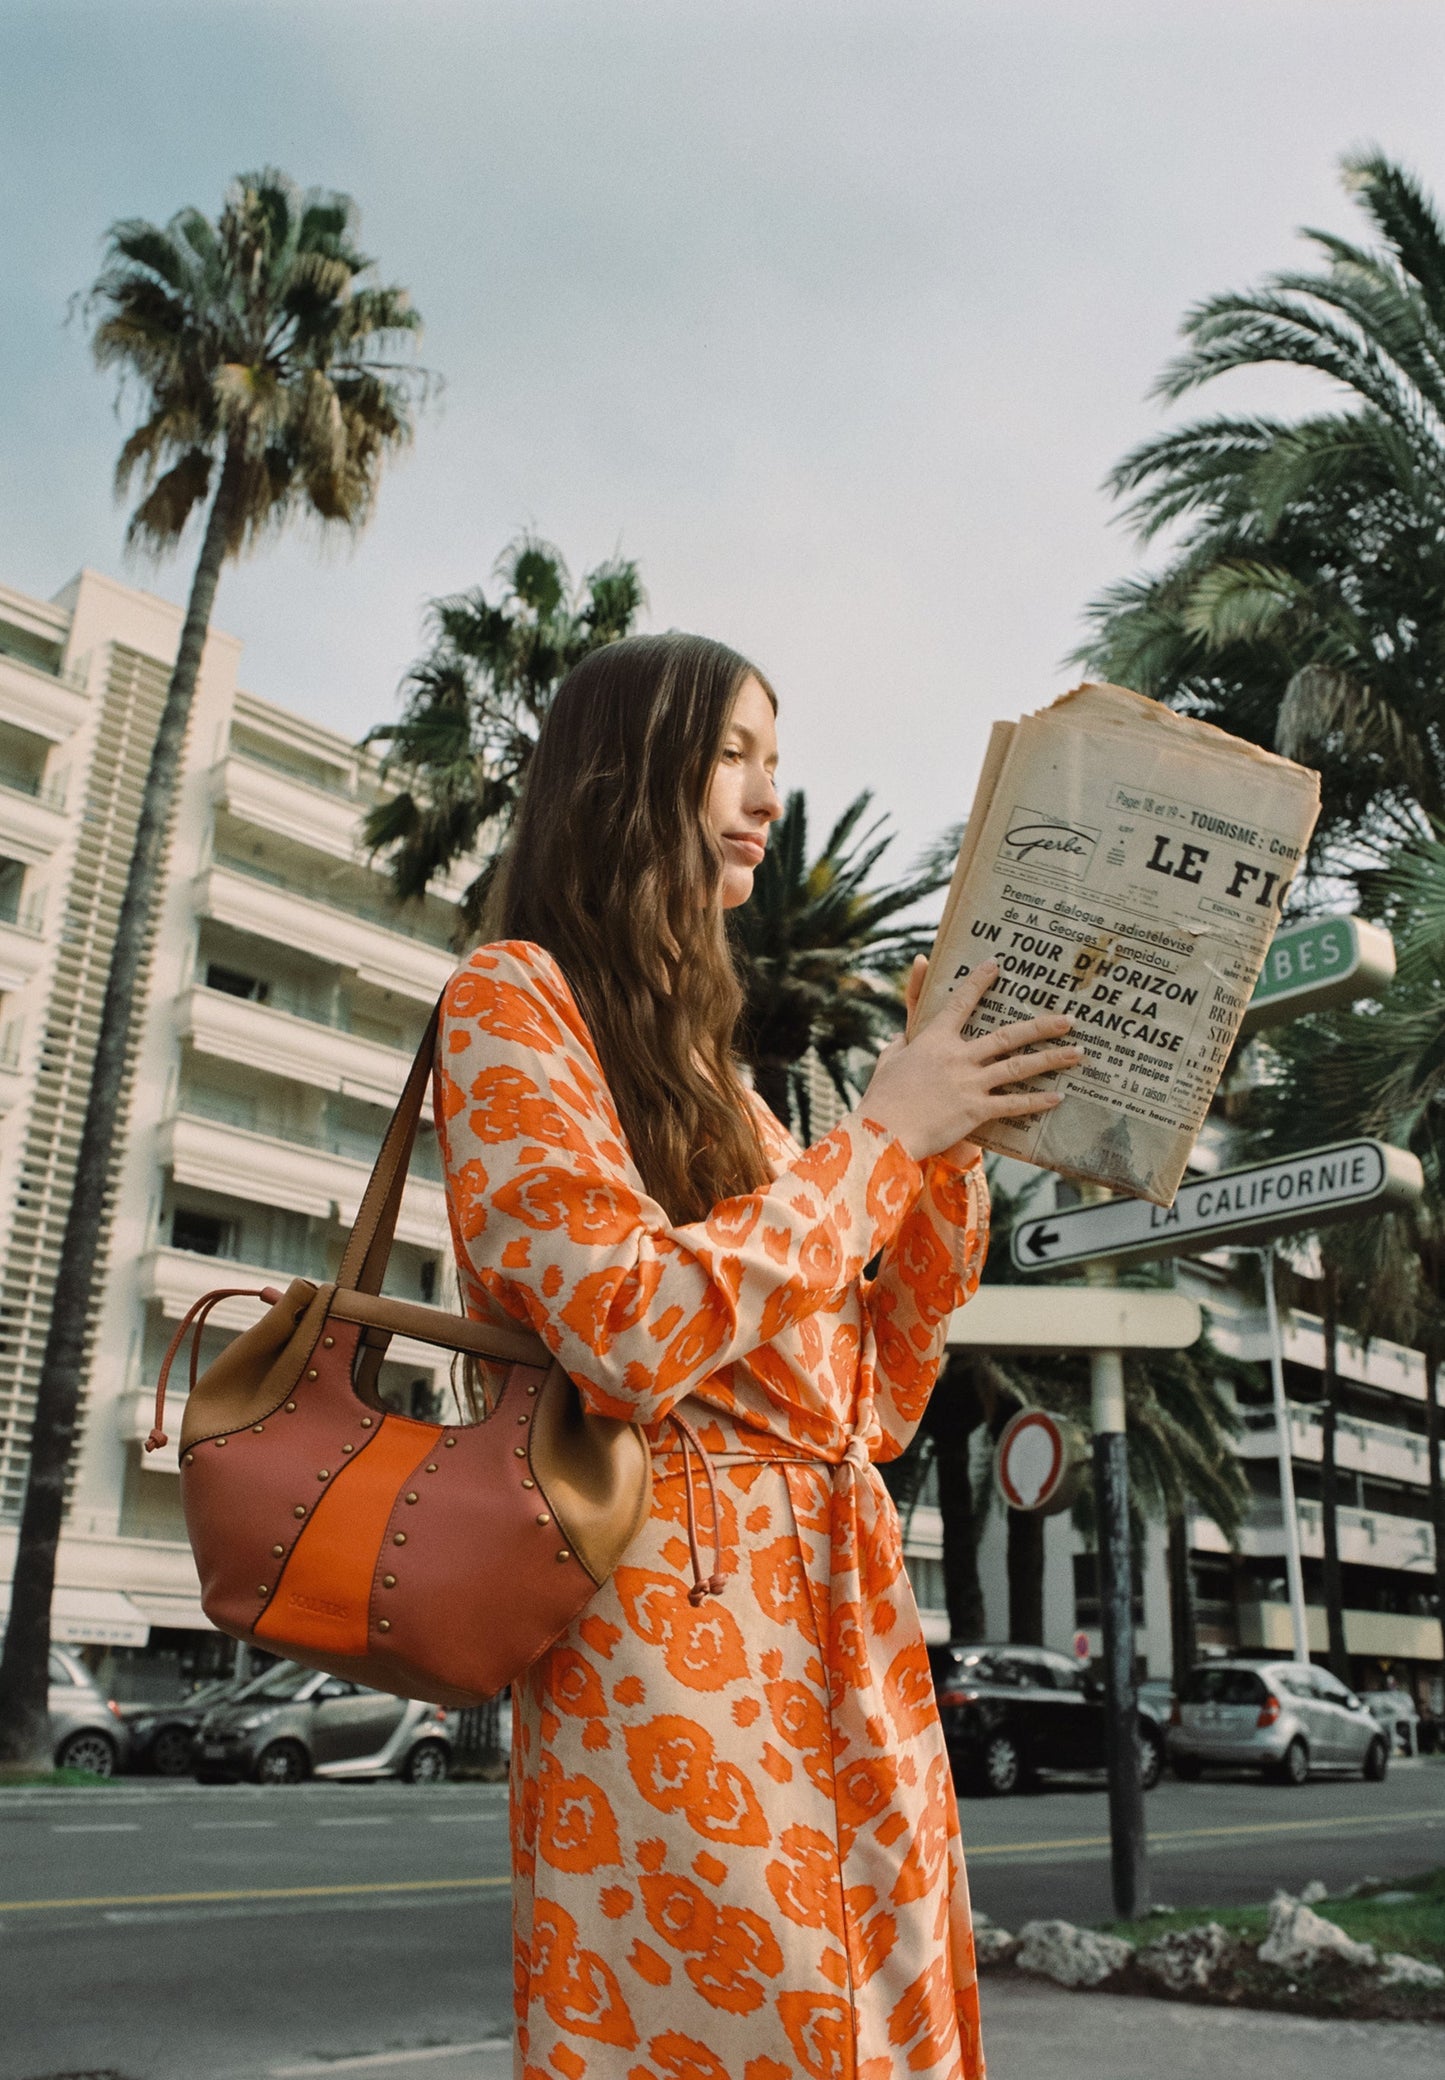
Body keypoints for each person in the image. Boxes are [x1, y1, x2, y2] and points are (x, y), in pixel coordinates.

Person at [434, 633, 1078, 2080]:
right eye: (731, 751)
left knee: (886, 2027)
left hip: (845, 1605)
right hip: (672, 1613)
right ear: (624, 768)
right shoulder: (513, 999)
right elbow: (623, 1324)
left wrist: (943, 1151)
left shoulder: (726, 1082)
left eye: (773, 762)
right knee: (736, 2029)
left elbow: (874, 1400)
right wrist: (882, 1140)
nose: (764, 792)